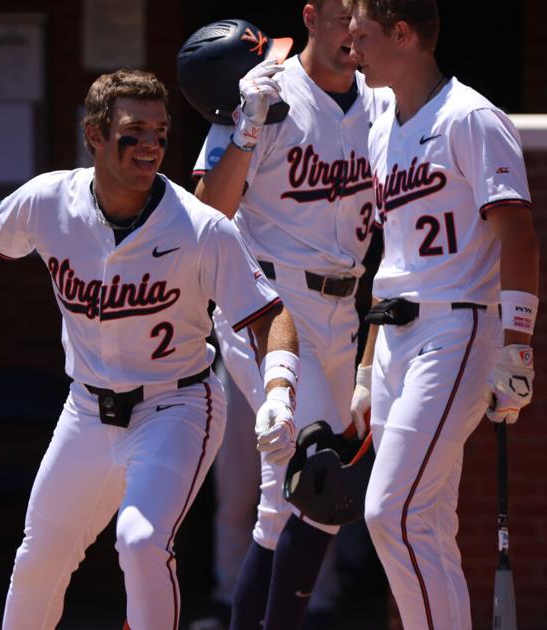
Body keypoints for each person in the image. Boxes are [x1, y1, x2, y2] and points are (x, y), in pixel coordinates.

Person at [0, 69, 300, 629]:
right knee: (38, 557)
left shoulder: (199, 227)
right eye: (134, 130)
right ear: (94, 135)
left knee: (141, 540)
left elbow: (272, 315)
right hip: (86, 409)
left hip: (175, 406)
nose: (150, 145)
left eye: (160, 132)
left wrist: (278, 390)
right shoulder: (51, 198)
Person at [189, 3, 392, 628]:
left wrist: (367, 356)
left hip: (343, 307)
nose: (351, 31)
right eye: (340, 15)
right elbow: (207, 220)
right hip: (265, 305)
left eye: (362, 17)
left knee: (306, 504)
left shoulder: (383, 104)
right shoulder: (266, 88)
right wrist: (246, 127)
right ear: (311, 15)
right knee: (309, 475)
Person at [345, 1, 539, 628]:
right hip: (399, 336)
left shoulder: (471, 117)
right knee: (424, 524)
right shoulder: (382, 126)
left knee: (390, 512)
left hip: (457, 329)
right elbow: (389, 255)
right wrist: (367, 368)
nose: (353, 47)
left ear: (402, 34)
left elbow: (519, 238)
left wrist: (518, 349)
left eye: (363, 34)